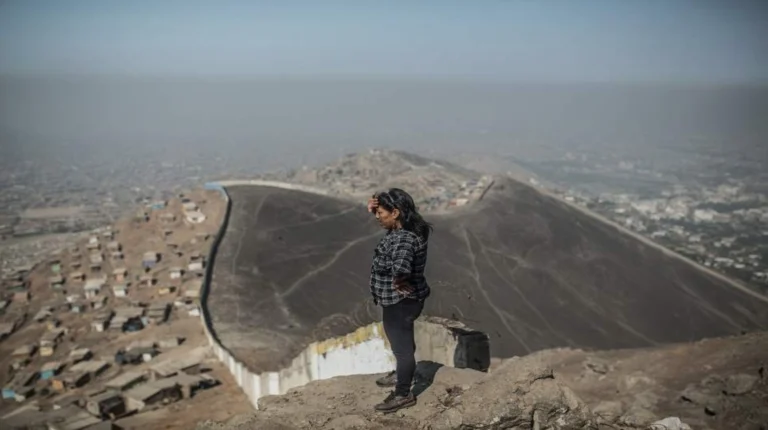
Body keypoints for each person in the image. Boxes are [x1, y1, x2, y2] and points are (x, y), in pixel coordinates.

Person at [367, 188, 433, 413]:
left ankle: (403, 393)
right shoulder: (408, 228)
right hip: (402, 300)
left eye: (381, 212)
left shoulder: (404, 239)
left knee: (402, 348)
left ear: (395, 213)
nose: (377, 217)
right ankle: (402, 373)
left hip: (400, 301)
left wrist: (399, 279)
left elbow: (402, 265)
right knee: (400, 343)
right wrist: (374, 209)